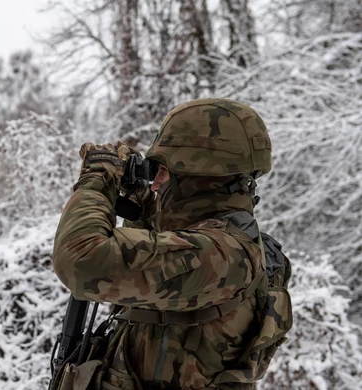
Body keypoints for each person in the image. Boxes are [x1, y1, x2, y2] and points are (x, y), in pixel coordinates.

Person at [51, 98, 292, 390]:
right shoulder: (224, 244)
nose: (155, 183)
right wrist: (138, 199)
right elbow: (151, 268)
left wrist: (96, 181)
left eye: (163, 171)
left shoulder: (224, 256)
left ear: (198, 176)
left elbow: (82, 261)